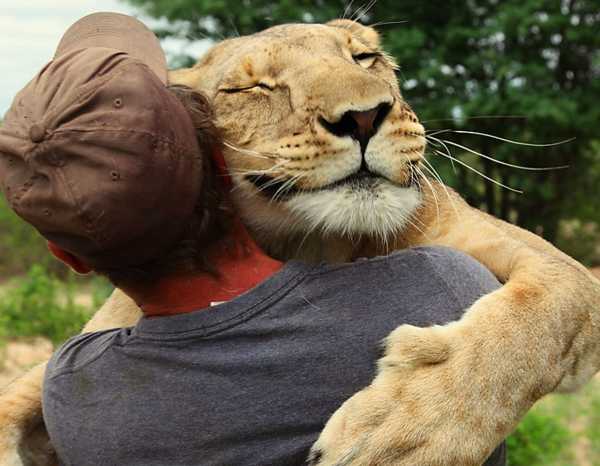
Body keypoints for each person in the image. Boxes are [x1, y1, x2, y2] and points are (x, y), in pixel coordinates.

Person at [0, 12, 506, 466]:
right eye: (251, 91)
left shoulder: (72, 393)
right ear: (220, 160)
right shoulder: (444, 287)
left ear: (67, 256)